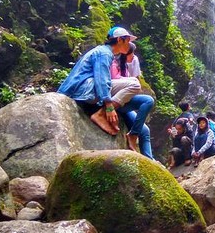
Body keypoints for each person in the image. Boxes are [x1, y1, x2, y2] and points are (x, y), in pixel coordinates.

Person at [58, 27, 155, 160]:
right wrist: (109, 106)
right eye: (127, 41)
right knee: (134, 84)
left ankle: (139, 143)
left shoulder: (106, 53)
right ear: (119, 40)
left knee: (139, 90)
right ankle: (101, 113)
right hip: (83, 89)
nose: (129, 45)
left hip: (86, 89)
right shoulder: (104, 53)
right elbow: (102, 79)